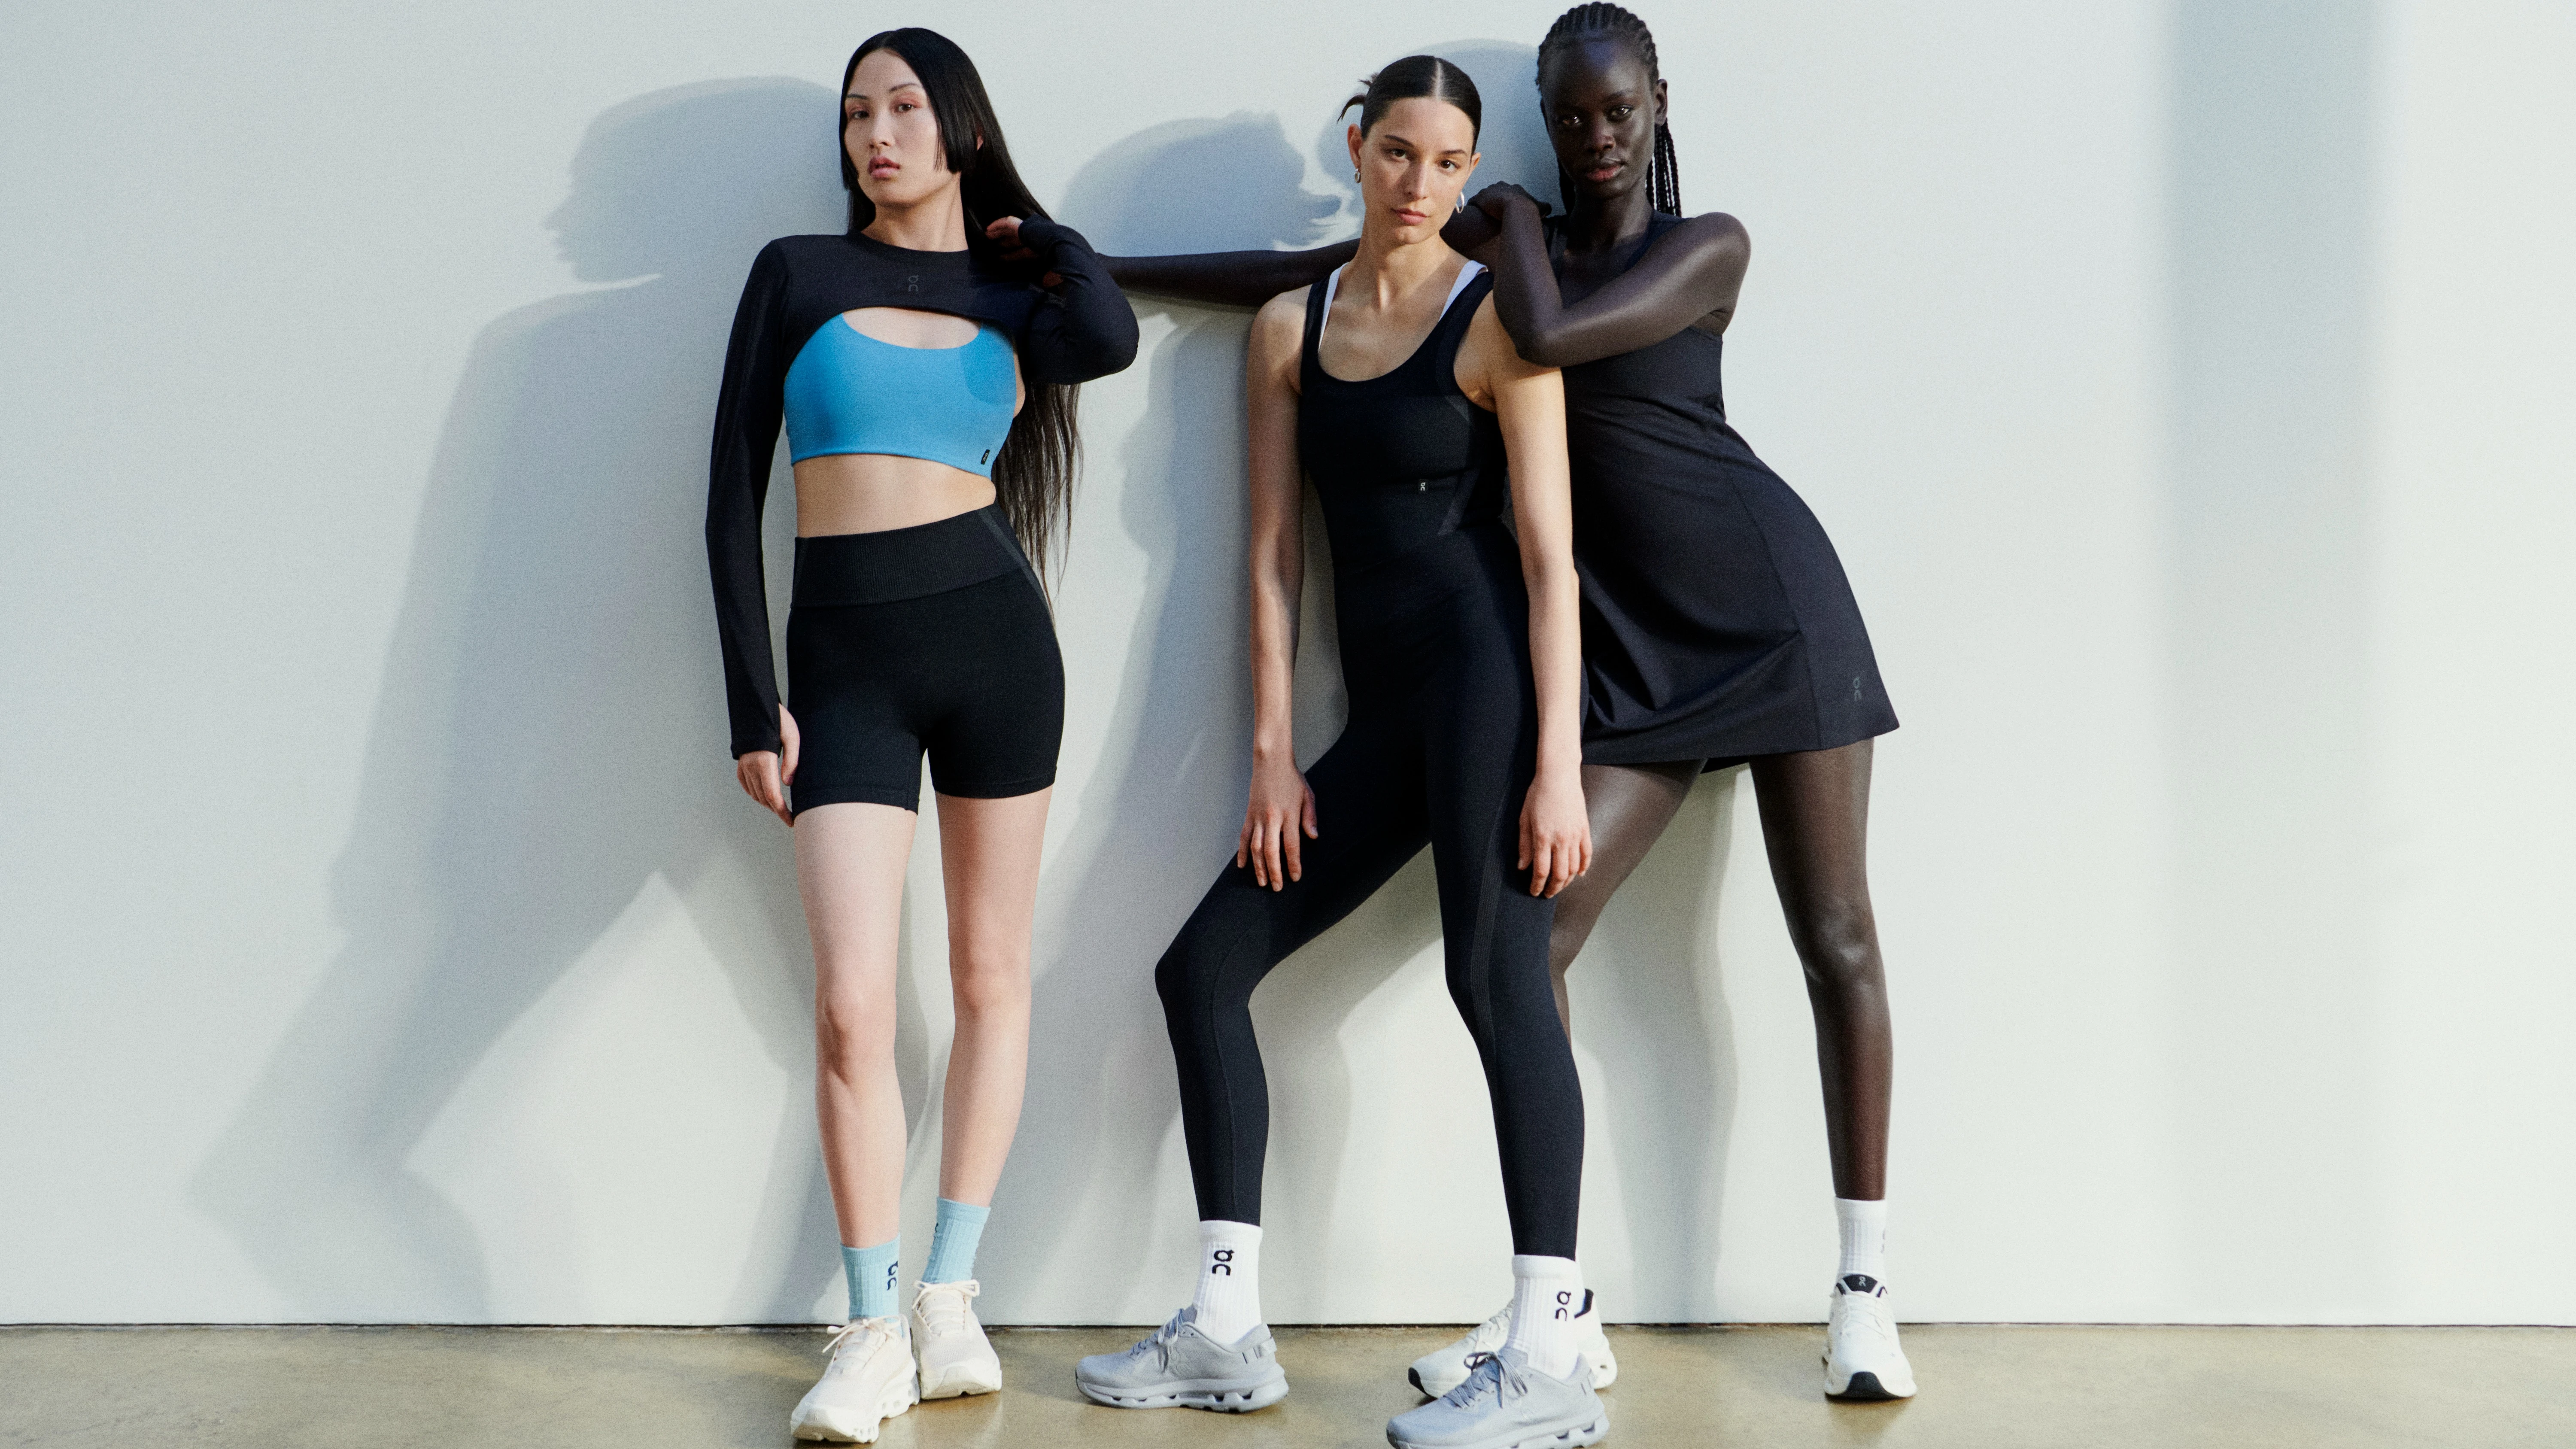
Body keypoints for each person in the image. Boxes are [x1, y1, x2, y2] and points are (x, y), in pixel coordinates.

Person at [1104, 3, 1914, 1404]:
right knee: (1526, 948)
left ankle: (1861, 1291)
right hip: (1630, 647)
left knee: (1834, 936)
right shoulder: (1489, 245)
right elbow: (1319, 273)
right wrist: (1106, 264)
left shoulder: (1694, 244)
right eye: (1572, 110)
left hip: (1775, 614)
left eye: (1618, 108)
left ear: (1660, 100)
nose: (1597, 134)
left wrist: (1509, 223)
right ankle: (1561, 1312)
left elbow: (1541, 326)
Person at [1072, 55, 1613, 1449]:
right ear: (1357, 149)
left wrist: (1558, 762)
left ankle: (1551, 1349)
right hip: (1378, 718)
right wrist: (1272, 755)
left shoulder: (1499, 323)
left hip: (1490, 688)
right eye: (1397, 154)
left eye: (1449, 164)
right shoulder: (1285, 328)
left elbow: (1552, 565)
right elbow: (1265, 559)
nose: (1421, 185)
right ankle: (1227, 1327)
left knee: (1496, 975)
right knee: (1202, 969)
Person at [704, 27, 1136, 1442]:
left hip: (999, 648)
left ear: (956, 123)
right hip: (841, 666)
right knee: (851, 1004)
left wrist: (1033, 227)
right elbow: (727, 499)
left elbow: (1112, 335)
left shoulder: (1022, 295)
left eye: (902, 107)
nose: (874, 135)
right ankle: (873, 1321)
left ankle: (953, 1290)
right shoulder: (796, 274)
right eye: (855, 115)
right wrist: (744, 692)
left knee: (991, 973)